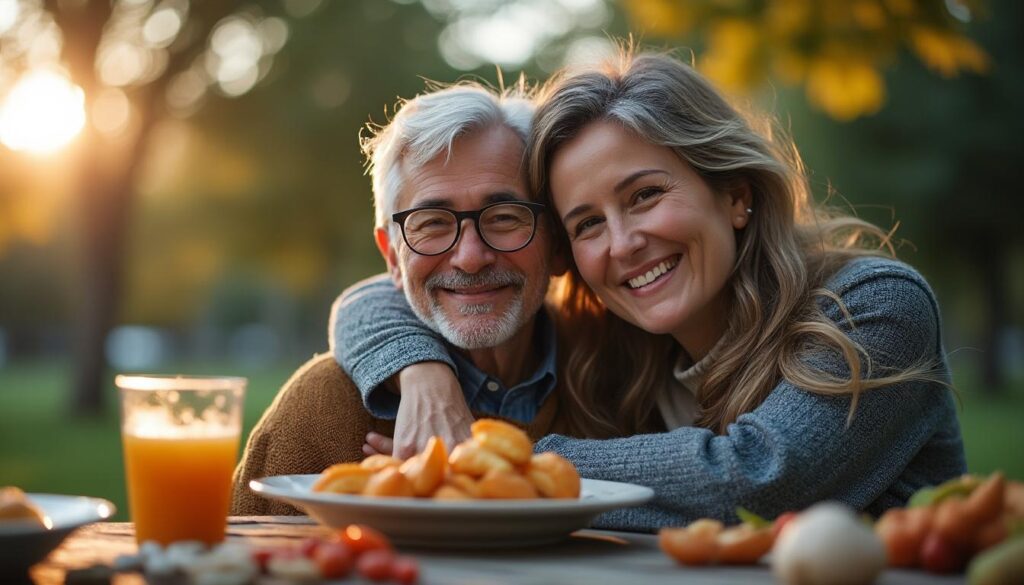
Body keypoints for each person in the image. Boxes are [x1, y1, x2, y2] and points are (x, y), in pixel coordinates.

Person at [332, 49, 966, 531]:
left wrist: (503, 461)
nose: (623, 243)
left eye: (644, 196)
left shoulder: (875, 305)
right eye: (586, 224)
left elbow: (764, 476)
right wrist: (420, 371)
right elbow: (400, 288)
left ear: (735, 194)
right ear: (563, 251)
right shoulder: (618, 346)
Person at [231, 82, 571, 514]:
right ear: (392, 257)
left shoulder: (614, 381)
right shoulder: (325, 406)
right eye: (432, 223)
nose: (469, 258)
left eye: (504, 218)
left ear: (557, 242)